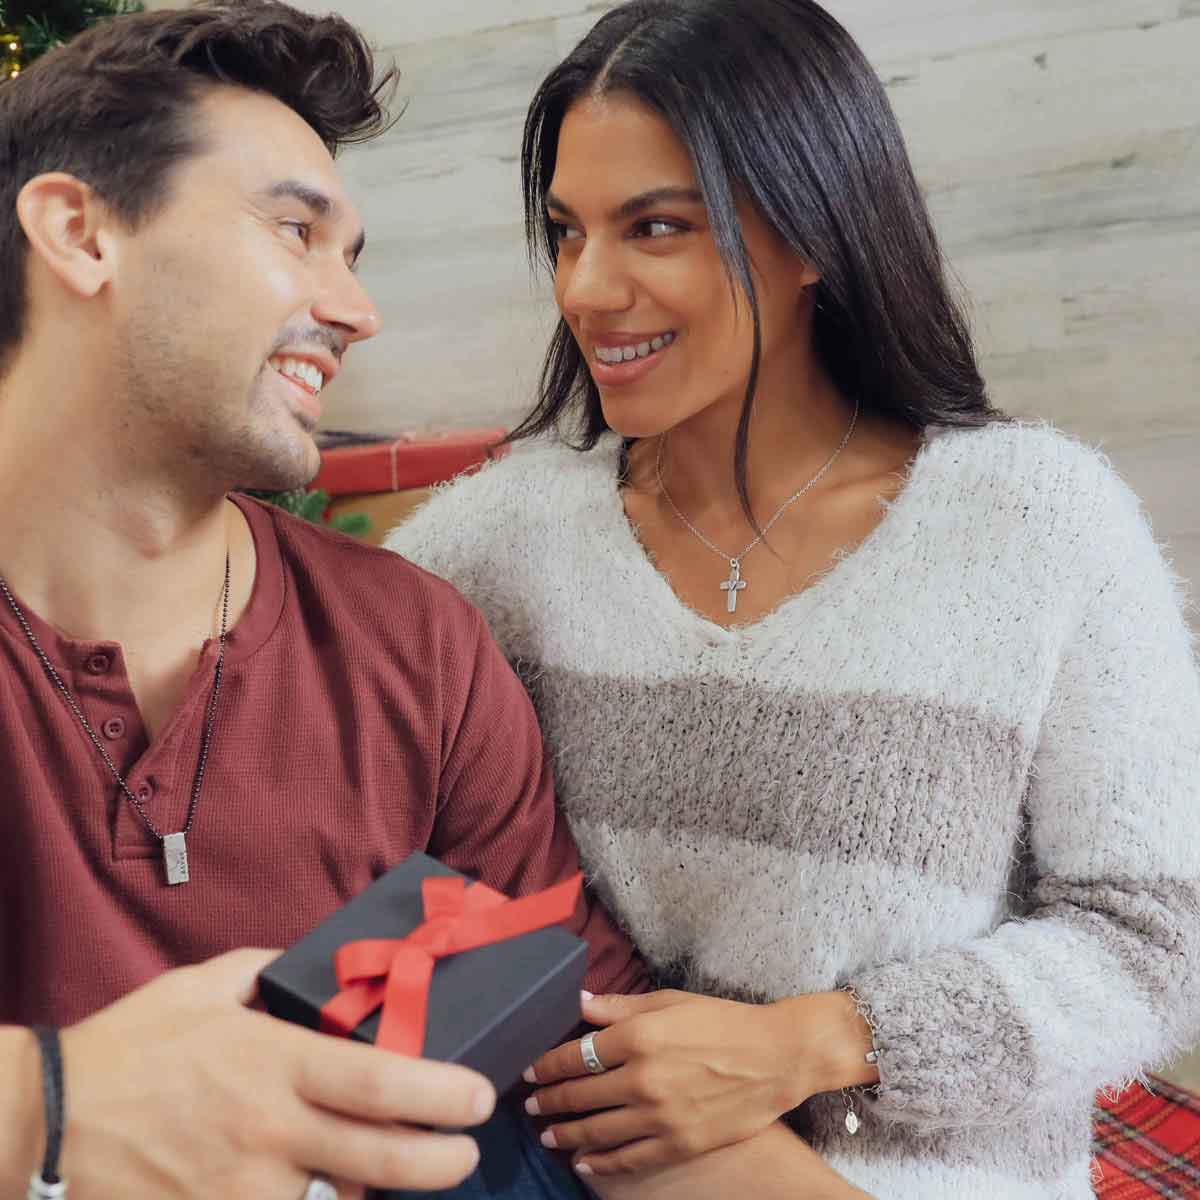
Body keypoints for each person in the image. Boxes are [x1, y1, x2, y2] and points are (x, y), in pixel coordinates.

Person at [387, 1, 1200, 1197]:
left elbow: (1154, 940)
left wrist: (809, 1045)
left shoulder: (1039, 523)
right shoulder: (492, 547)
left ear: (814, 228)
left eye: (654, 227)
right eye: (566, 232)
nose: (588, 287)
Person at [0, 4, 659, 1198]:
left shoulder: (414, 643)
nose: (355, 312)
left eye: (352, 258)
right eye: (295, 229)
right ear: (79, 233)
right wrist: (50, 1101)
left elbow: (599, 1051)